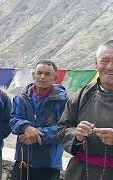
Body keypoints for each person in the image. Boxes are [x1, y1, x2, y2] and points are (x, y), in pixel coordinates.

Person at [58, 40, 113, 180]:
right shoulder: (83, 95)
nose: (110, 67)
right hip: (80, 172)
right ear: (96, 62)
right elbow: (62, 128)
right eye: (104, 61)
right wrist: (77, 134)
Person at [10, 60, 68, 180]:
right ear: (33, 75)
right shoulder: (21, 98)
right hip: (22, 160)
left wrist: (37, 135)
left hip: (48, 165)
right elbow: (13, 120)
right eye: (39, 73)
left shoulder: (63, 101)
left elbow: (64, 129)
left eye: (47, 74)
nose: (42, 77)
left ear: (55, 78)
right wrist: (26, 127)